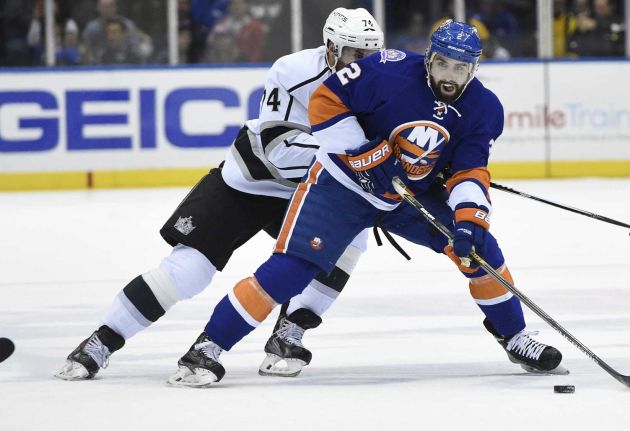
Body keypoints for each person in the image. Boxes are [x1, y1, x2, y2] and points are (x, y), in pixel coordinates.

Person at [168, 20, 566, 388]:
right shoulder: (387, 70)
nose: (449, 75)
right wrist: (365, 154)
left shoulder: (484, 108)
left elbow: (469, 170)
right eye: (443, 64)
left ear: (474, 69)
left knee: (480, 251)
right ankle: (206, 349)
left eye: (460, 68)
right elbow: (326, 101)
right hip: (340, 186)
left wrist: (468, 218)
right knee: (291, 270)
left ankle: (515, 337)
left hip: (407, 195)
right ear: (430, 58)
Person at [54, 7, 385, 381]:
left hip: (310, 190)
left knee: (351, 239)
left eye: (372, 54)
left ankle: (290, 330)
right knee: (187, 272)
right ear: (330, 47)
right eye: (357, 53)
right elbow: (278, 149)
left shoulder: (382, 82)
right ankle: (102, 341)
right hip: (248, 181)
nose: (366, 63)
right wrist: (364, 160)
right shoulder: (292, 71)